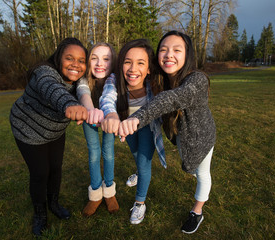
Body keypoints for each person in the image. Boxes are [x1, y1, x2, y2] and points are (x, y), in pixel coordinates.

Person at [118, 31, 216, 234]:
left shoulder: (197, 79)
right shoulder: (161, 79)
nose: (169, 54)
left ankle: (196, 212)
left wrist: (138, 117)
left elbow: (172, 98)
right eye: (164, 50)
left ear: (187, 54)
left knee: (201, 174)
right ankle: (139, 173)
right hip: (181, 136)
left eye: (176, 50)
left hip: (202, 137)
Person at [10, 37, 88, 236]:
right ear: (58, 58)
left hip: (54, 131)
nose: (76, 65)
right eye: (69, 58)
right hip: (27, 127)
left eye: (81, 60)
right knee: (40, 173)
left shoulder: (81, 81)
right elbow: (52, 89)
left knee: (55, 168)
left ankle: (53, 203)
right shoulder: (45, 72)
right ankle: (40, 214)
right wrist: (69, 105)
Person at [100, 39, 166, 225]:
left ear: (149, 69)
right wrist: (111, 114)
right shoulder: (114, 80)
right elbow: (107, 97)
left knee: (145, 164)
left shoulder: (154, 85)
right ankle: (138, 172)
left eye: (140, 63)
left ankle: (140, 202)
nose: (132, 68)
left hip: (148, 127)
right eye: (128, 62)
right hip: (126, 128)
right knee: (136, 154)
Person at [76, 42, 119, 216]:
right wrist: (90, 110)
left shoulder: (114, 79)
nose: (100, 63)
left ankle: (109, 191)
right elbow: (82, 91)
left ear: (113, 62)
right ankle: (95, 195)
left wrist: (109, 115)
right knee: (94, 153)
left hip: (110, 118)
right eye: (94, 58)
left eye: (106, 59)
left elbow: (112, 95)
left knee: (108, 152)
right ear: (88, 61)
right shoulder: (84, 79)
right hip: (89, 118)